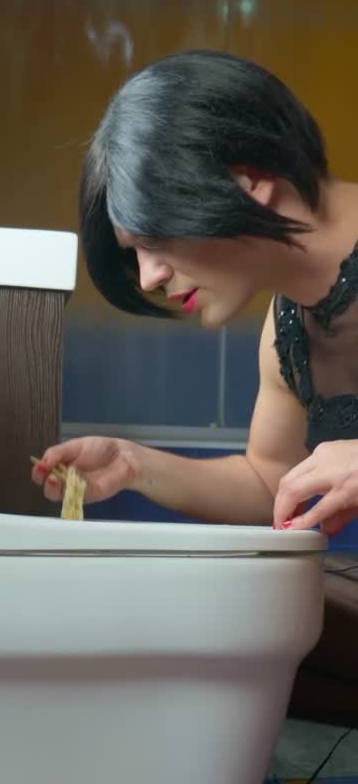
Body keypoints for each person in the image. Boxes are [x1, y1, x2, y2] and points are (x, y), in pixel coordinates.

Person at [31, 50, 358, 535]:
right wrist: (132, 464)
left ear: (248, 180)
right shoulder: (288, 332)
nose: (148, 279)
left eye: (155, 240)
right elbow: (270, 483)